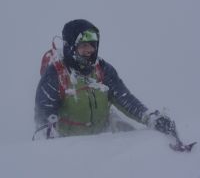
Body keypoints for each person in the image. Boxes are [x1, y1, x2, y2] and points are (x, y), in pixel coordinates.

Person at [34, 19, 176, 140]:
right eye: (83, 45)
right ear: (70, 47)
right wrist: (49, 141)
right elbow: (43, 120)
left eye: (92, 44)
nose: (90, 50)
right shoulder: (55, 75)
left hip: (104, 140)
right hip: (70, 146)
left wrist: (150, 117)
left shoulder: (103, 69)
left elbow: (125, 99)